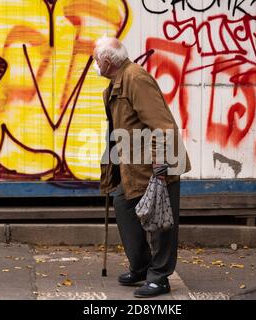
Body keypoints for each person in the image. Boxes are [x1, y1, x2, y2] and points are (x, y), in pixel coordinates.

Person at [93, 36, 191, 298]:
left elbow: (163, 124)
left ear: (105, 61)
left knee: (160, 221)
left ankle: (159, 276)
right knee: (124, 205)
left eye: (95, 58)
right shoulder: (114, 86)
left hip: (155, 164)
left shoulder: (135, 79)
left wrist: (161, 163)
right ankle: (142, 266)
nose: (93, 63)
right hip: (131, 166)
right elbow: (118, 130)